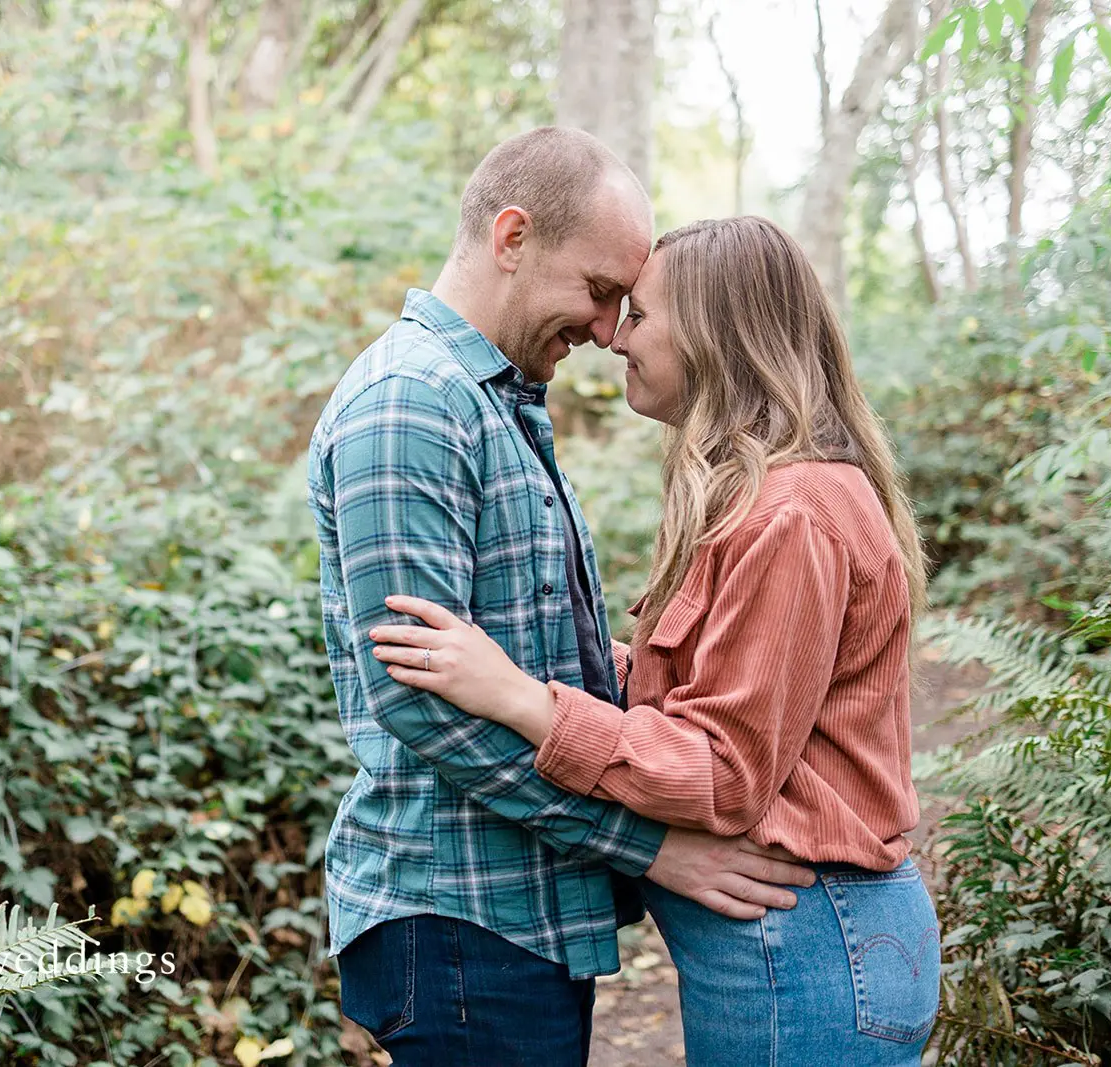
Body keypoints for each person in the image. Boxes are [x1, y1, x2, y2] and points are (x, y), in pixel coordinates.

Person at [370, 215, 942, 1065]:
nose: (613, 336)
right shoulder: (762, 501)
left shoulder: (795, 514)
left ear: (719, 335)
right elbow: (702, 691)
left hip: (812, 946)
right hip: (794, 945)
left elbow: (725, 770)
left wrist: (525, 699)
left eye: (636, 312)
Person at [307, 130, 816, 1067]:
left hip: (512, 912)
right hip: (460, 913)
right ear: (512, 237)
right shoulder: (411, 405)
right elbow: (421, 702)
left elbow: (538, 653)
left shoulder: (488, 400)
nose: (609, 328)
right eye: (597, 291)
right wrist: (649, 846)